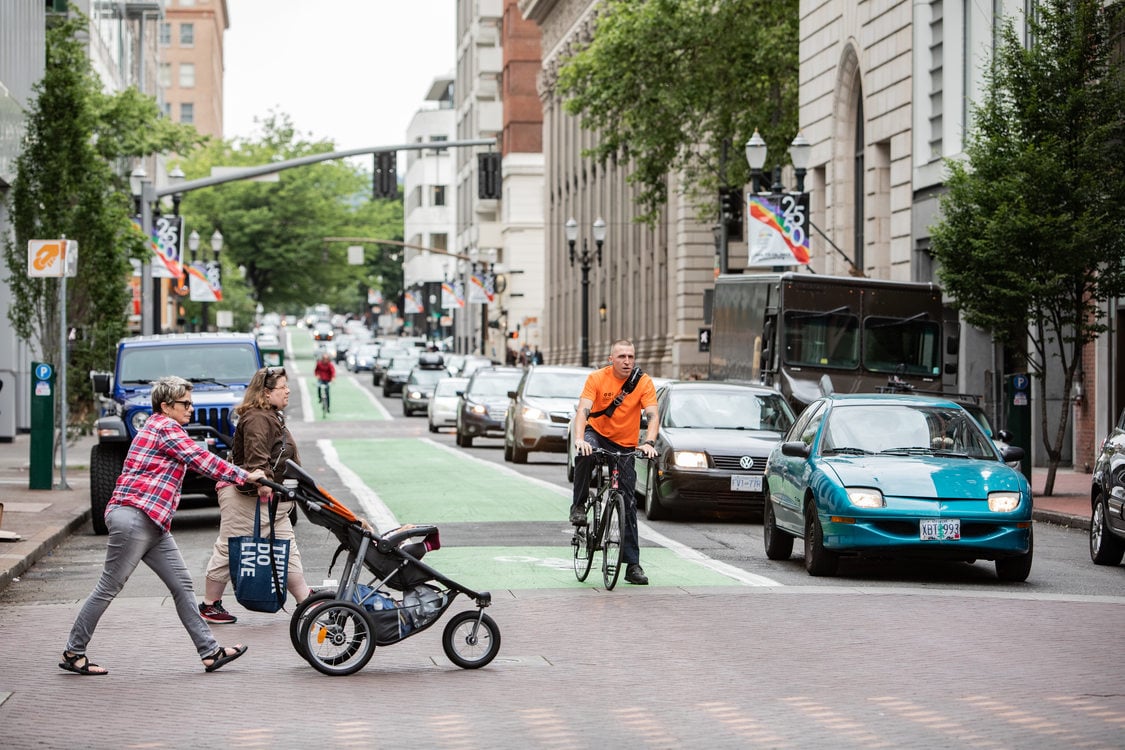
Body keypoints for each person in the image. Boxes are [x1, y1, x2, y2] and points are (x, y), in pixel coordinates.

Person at [60, 376, 262, 676]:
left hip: (152, 522)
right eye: (185, 403)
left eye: (191, 403)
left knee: (181, 586)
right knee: (108, 587)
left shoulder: (159, 427)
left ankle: (210, 652)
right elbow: (200, 459)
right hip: (135, 517)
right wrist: (243, 476)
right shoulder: (165, 427)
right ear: (166, 406)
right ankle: (74, 652)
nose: (191, 408)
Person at [199, 366, 313, 624]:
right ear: (266, 392)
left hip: (273, 500)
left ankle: (305, 598)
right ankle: (209, 604)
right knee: (231, 546)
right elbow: (256, 458)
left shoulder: (270, 415)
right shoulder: (258, 418)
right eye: (283, 387)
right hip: (250, 498)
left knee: (286, 545)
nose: (288, 391)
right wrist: (265, 486)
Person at [570, 340, 659, 585]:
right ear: (611, 359)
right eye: (621, 356)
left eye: (631, 356)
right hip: (596, 434)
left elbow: (652, 415)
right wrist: (580, 439)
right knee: (585, 454)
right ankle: (578, 507)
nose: (627, 361)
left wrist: (649, 442)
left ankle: (632, 565)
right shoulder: (597, 378)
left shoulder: (643, 382)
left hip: (625, 444)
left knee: (628, 502)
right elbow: (583, 411)